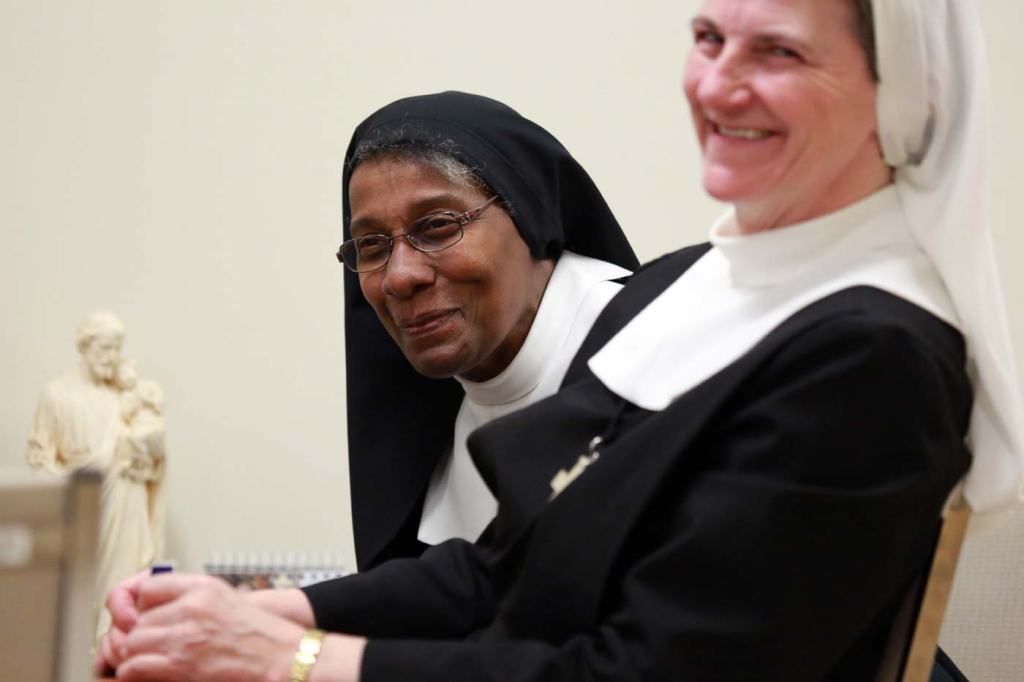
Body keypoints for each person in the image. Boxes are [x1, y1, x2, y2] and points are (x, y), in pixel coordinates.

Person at [97, 0, 1024, 680]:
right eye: (708, 39)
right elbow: (506, 565)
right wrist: (262, 612)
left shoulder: (875, 349)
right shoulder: (716, 289)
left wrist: (291, 660)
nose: (717, 84)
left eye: (777, 50)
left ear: (904, 89)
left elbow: (645, 672)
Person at [338, 92, 638, 570]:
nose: (399, 277)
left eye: (438, 226)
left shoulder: (659, 357)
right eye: (371, 245)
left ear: (528, 216)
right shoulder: (446, 409)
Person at [26, 312, 165, 638]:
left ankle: (118, 644)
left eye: (117, 349)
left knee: (124, 585)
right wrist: (72, 485)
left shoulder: (122, 396)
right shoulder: (57, 394)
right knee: (81, 588)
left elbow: (150, 462)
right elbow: (40, 459)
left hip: (127, 501)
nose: (112, 357)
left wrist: (146, 452)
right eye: (105, 348)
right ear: (85, 347)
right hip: (86, 505)